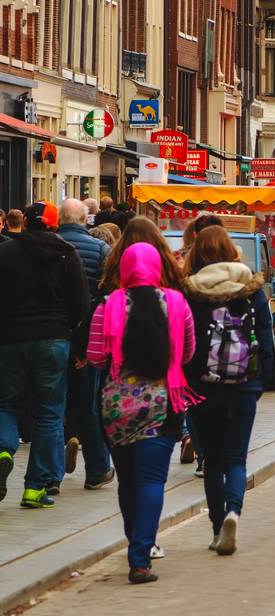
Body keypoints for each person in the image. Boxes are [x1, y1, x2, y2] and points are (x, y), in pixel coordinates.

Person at [87, 241, 199, 584]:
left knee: (128, 481)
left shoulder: (108, 305)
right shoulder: (178, 304)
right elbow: (190, 351)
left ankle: (134, 538)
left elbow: (94, 357)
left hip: (116, 407)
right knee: (152, 480)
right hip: (162, 404)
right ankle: (140, 557)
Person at [182, 227, 275, 556]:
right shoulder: (251, 289)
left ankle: (217, 525)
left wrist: (188, 386)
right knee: (236, 458)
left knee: (214, 461)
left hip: (203, 387)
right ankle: (234, 510)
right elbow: (267, 339)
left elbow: (186, 344)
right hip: (244, 383)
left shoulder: (191, 291)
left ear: (196, 252)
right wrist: (262, 382)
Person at [0, 203, 90, 509]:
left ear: (24, 222)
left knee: (7, 403)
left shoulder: (6, 253)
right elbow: (80, 306)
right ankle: (36, 487)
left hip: (10, 340)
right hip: (54, 340)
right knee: (49, 411)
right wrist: (81, 348)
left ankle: (3, 449)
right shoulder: (66, 254)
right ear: (53, 225)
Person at [58, 199, 111, 492]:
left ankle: (51, 471)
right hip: (90, 333)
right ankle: (98, 467)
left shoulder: (52, 247)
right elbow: (105, 292)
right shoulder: (100, 249)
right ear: (84, 219)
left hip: (55, 330)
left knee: (52, 404)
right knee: (88, 402)